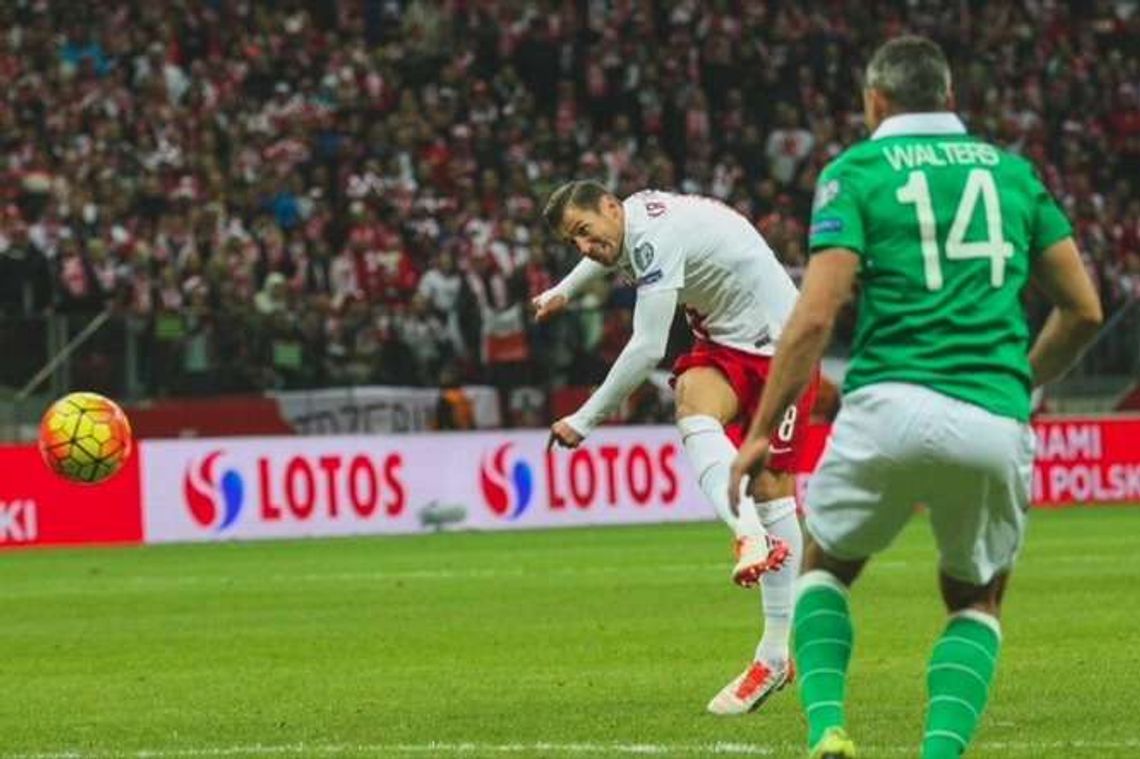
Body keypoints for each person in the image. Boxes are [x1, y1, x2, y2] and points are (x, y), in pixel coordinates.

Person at [729, 36, 1103, 759]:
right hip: (991, 414)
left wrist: (764, 428)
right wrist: (1020, 379)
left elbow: (814, 316)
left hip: (885, 408)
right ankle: (939, 752)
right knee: (975, 596)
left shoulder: (857, 170)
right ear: (951, 99)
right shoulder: (1013, 173)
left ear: (874, 100)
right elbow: (1083, 309)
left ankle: (828, 728)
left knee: (827, 565)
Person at [535, 179, 819, 715]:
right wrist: (565, 290)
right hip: (728, 341)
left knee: (772, 487)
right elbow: (605, 254)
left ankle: (776, 652)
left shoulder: (652, 239)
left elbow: (646, 350)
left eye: (585, 232)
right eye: (573, 241)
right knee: (692, 397)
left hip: (786, 346)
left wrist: (585, 418)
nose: (585, 248)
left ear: (611, 208)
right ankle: (749, 537)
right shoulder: (631, 220)